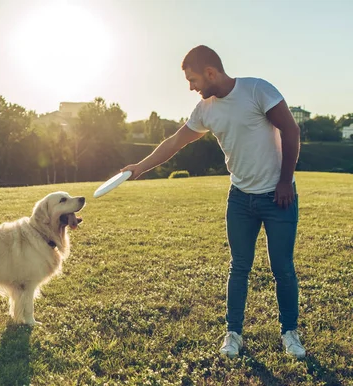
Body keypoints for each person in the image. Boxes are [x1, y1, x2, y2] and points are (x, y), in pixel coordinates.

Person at [121, 45, 305, 358]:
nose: (191, 87)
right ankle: (233, 333)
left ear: (210, 72)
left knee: (283, 269)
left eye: (193, 80)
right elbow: (175, 142)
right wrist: (139, 167)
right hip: (240, 200)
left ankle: (290, 332)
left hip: (278, 196)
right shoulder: (205, 109)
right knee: (239, 268)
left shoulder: (257, 90)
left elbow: (290, 130)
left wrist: (285, 180)